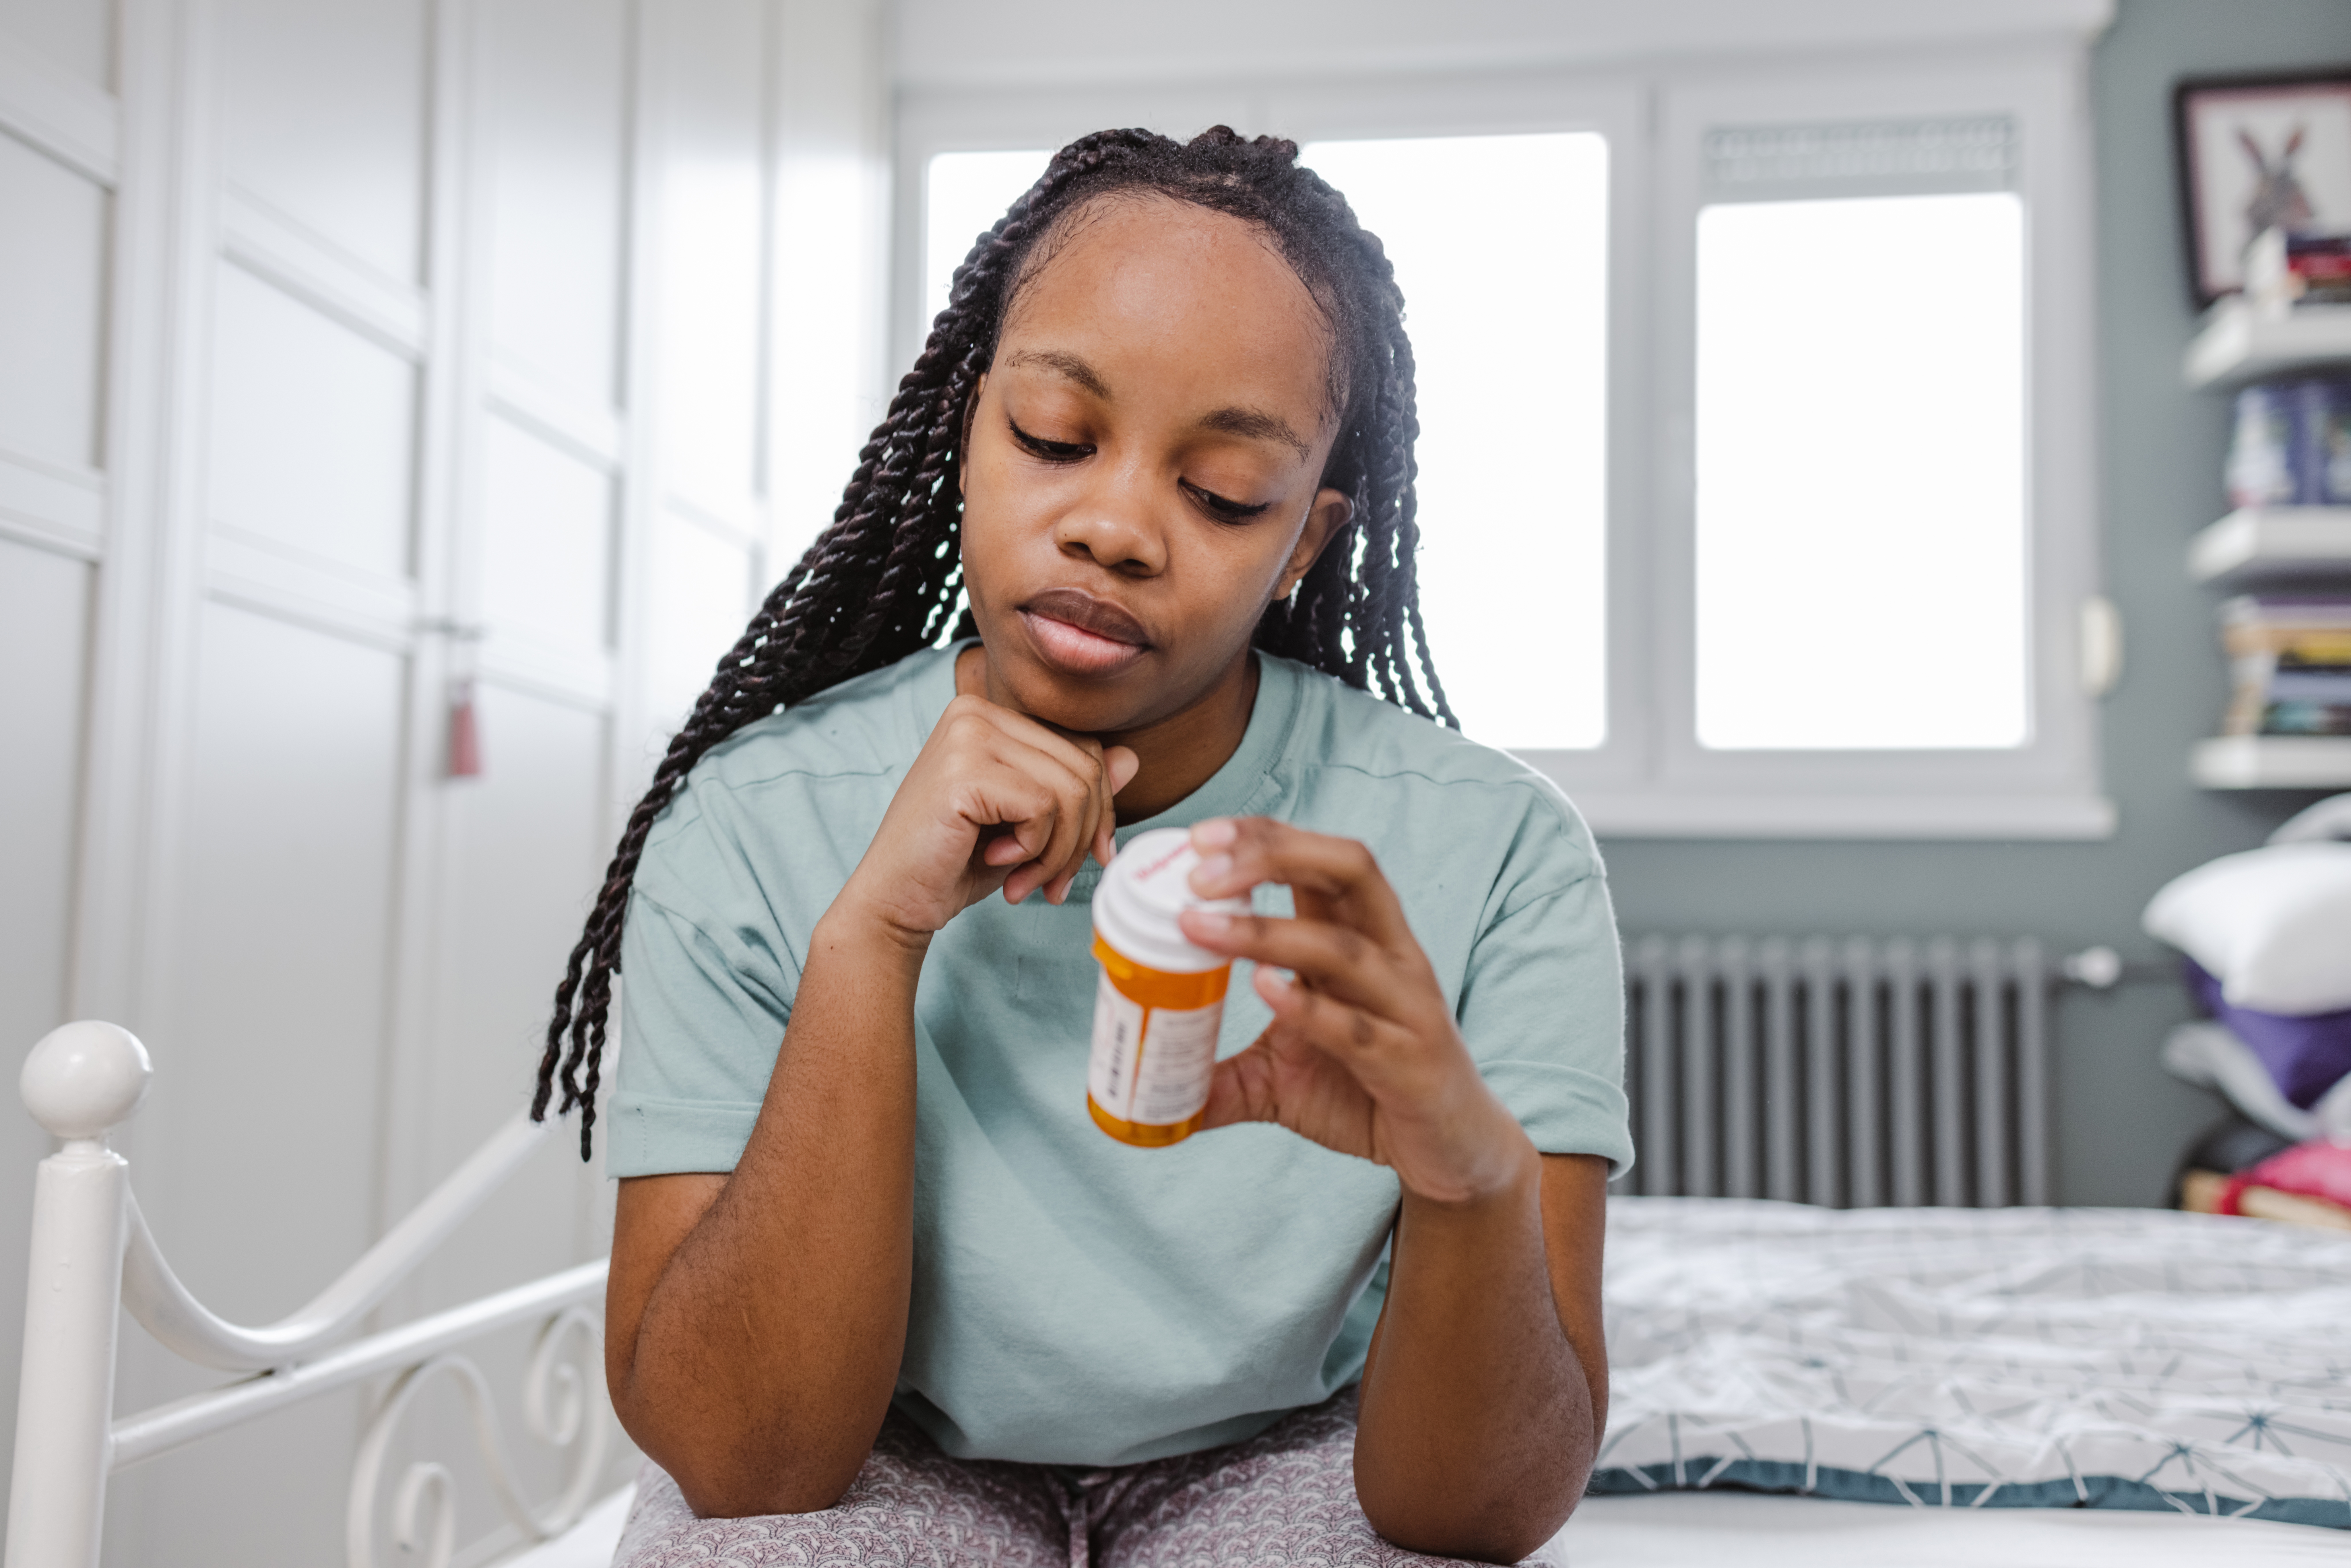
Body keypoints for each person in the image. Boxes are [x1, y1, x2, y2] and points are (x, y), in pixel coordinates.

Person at [532, 126, 1631, 1568]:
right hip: (885, 1452)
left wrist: (1468, 1178)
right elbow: (748, 1465)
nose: (1114, 528)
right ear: (965, 433)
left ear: (1303, 543)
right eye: (1053, 437)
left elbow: (1477, 1511)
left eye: (1223, 491)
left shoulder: (1496, 856)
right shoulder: (753, 821)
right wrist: (868, 944)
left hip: (1289, 1444)